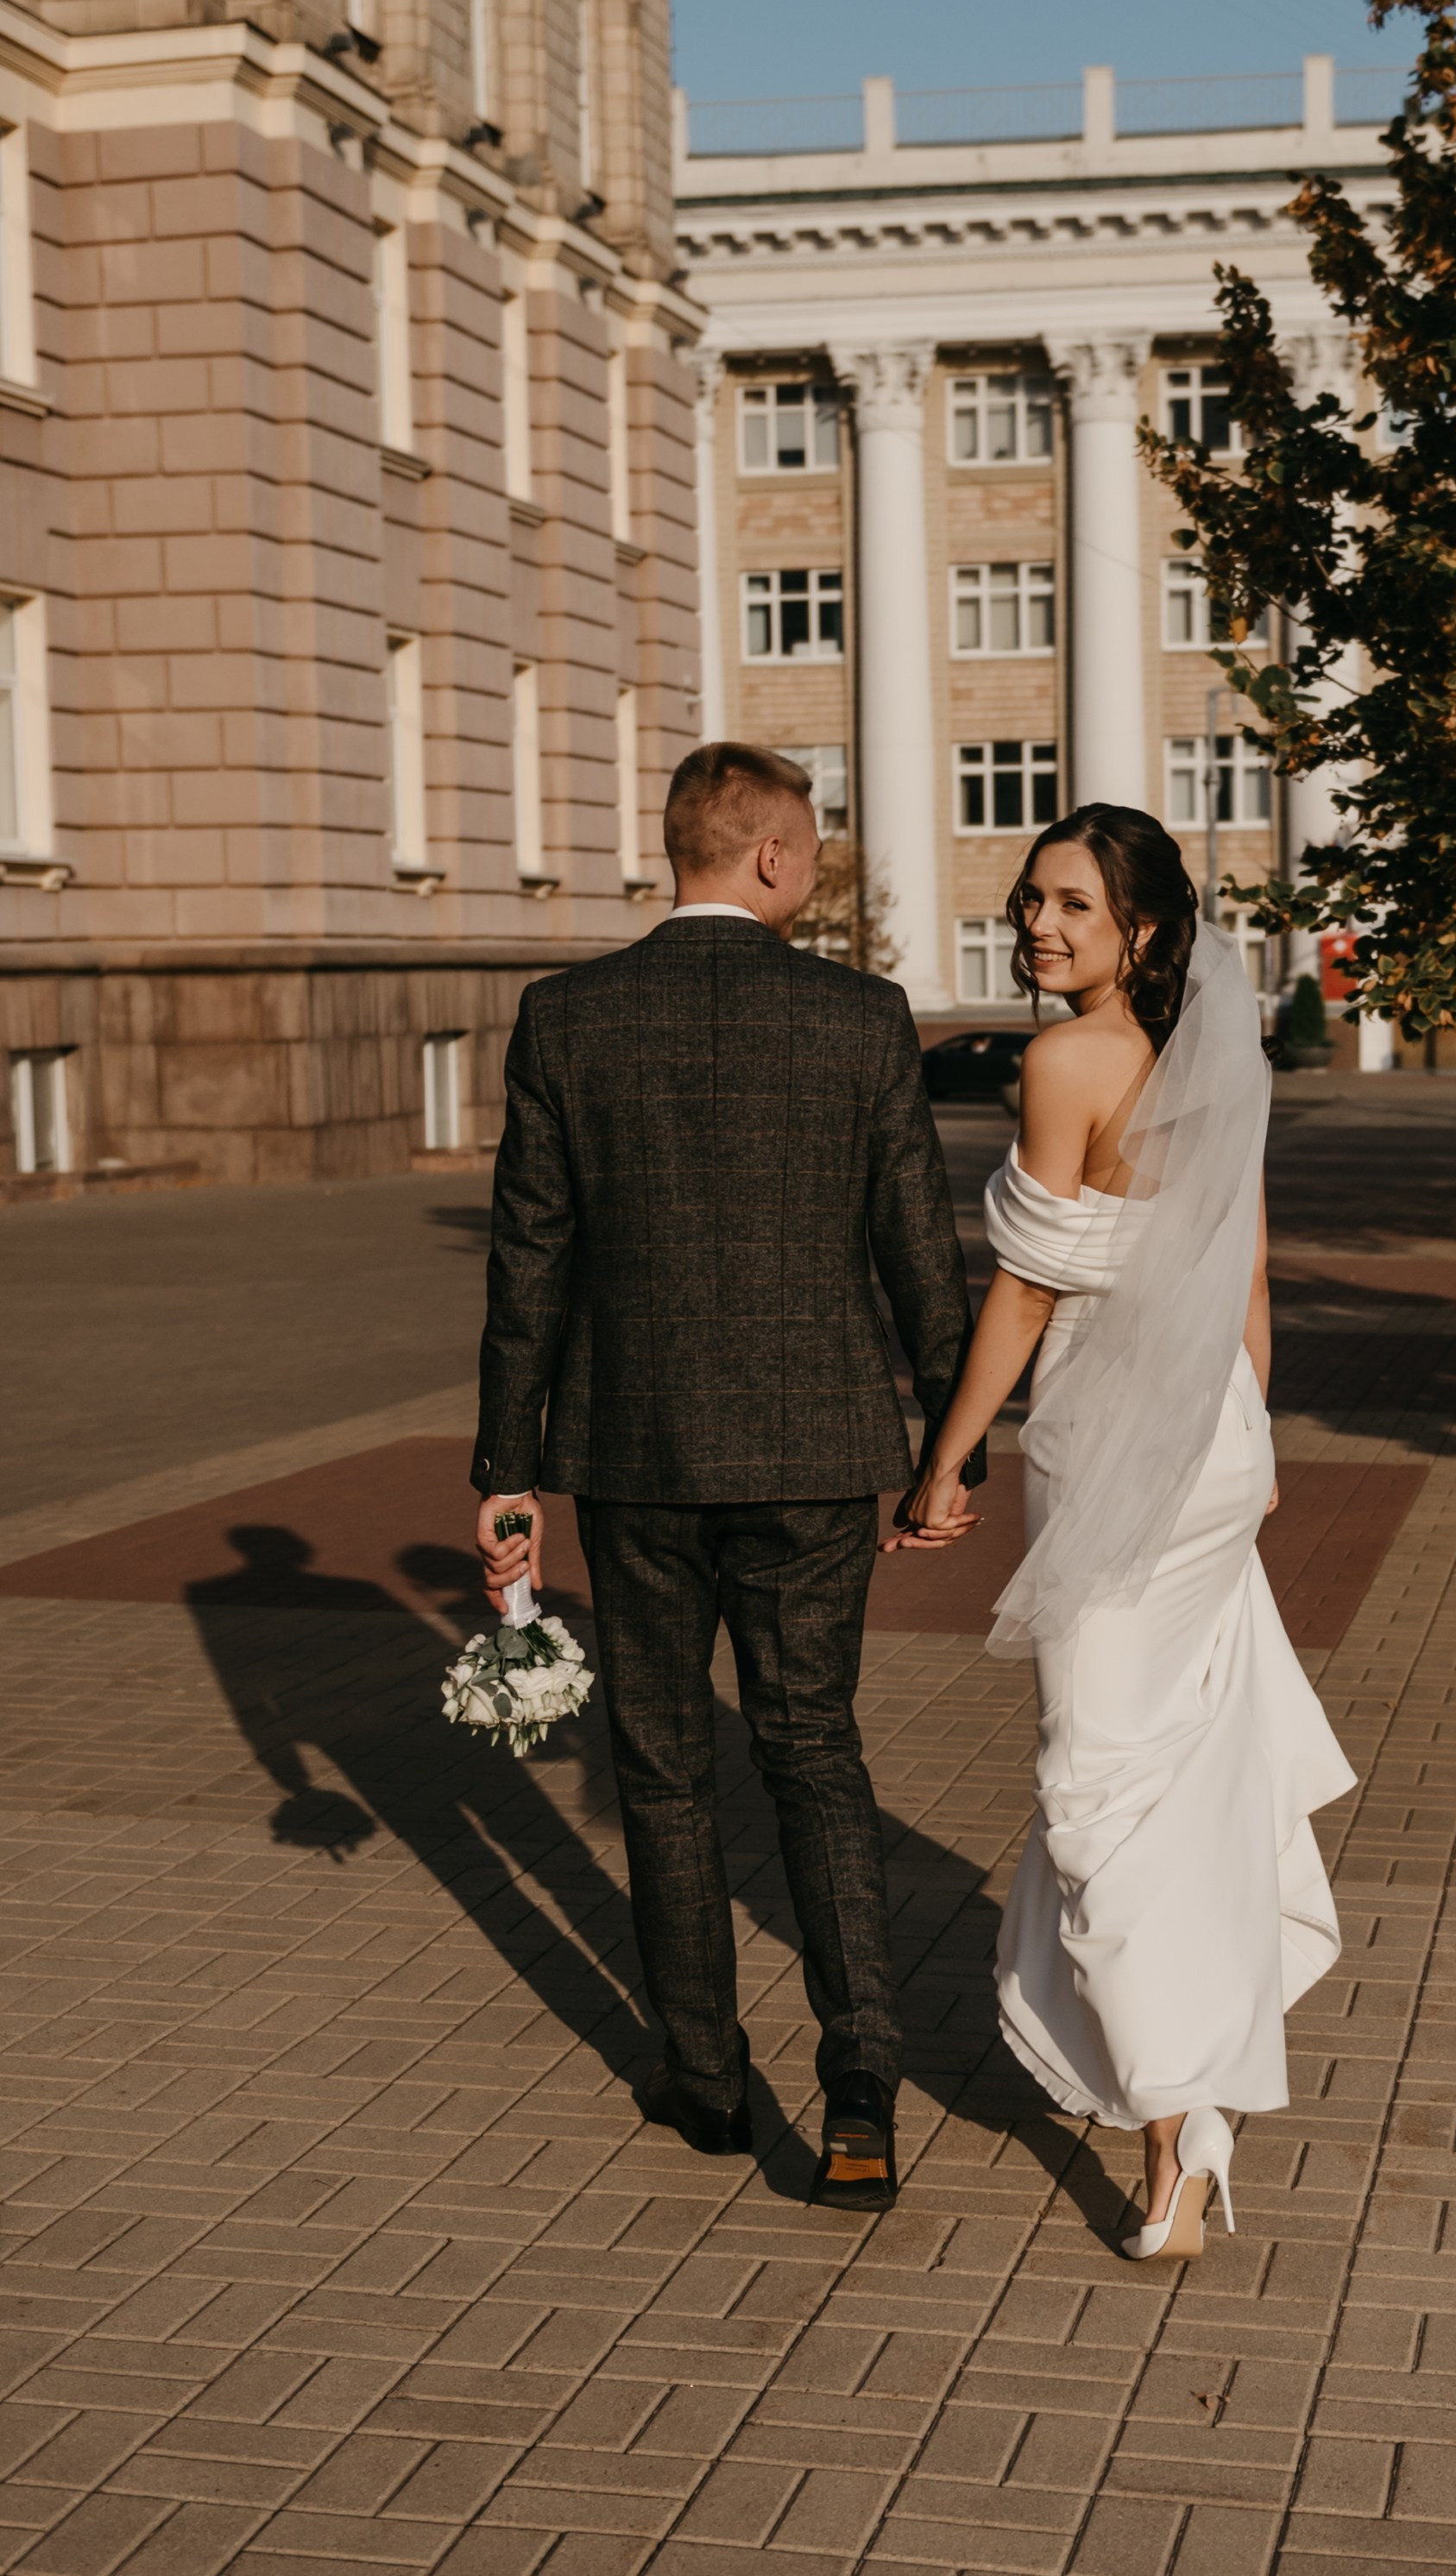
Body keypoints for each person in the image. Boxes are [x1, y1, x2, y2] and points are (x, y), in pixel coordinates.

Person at [470, 740, 980, 2210]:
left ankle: (703, 2075)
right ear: (764, 855)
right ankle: (864, 2080)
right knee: (813, 1752)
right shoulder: (862, 1017)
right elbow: (917, 1256)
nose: (812, 868)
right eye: (809, 845)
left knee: (665, 1772)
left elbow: (530, 1266)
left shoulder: (566, 1019)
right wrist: (948, 1453)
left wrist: (508, 1474)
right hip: (822, 1454)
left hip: (633, 1459)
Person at [888, 803, 1356, 2260]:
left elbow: (1024, 1297)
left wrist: (943, 1461)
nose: (1039, 926)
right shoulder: (1217, 1070)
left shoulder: (1066, 1058)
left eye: (1073, 908)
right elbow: (1251, 1272)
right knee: (1170, 1765)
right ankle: (1191, 2080)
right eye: (1032, 901)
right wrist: (1257, 1440)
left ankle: (1178, 2129)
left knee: (1097, 1787)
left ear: (1142, 933)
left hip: (1118, 1453)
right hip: (1216, 1438)